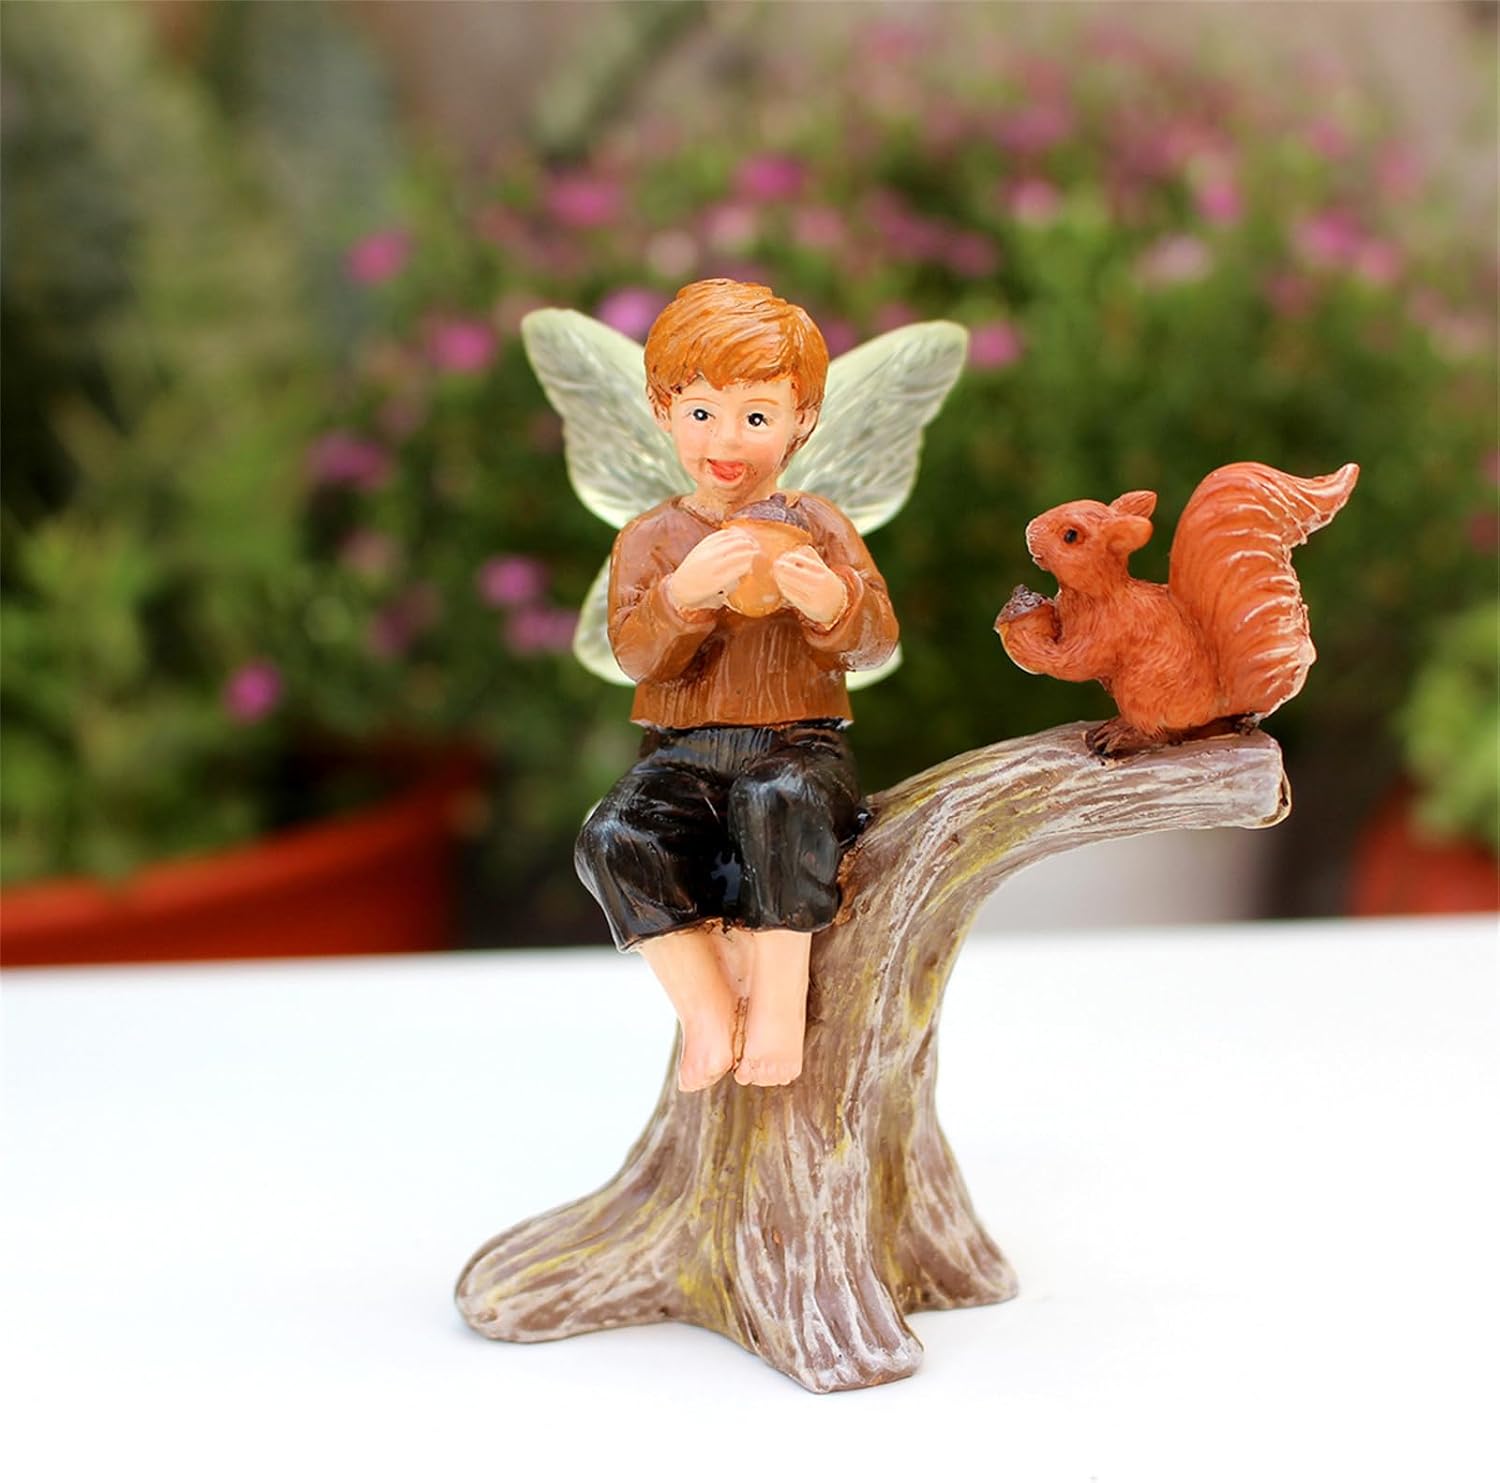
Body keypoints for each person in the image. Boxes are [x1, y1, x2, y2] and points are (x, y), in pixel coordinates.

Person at [575, 279, 898, 1091]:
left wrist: (833, 601)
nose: (727, 440)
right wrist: (682, 594)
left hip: (800, 743)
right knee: (614, 836)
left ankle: (780, 1005)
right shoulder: (651, 537)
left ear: (801, 422)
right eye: (701, 412)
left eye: (756, 417)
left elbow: (878, 638)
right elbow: (638, 654)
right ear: (662, 412)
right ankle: (710, 1012)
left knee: (778, 799)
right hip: (682, 754)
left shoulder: (817, 525)